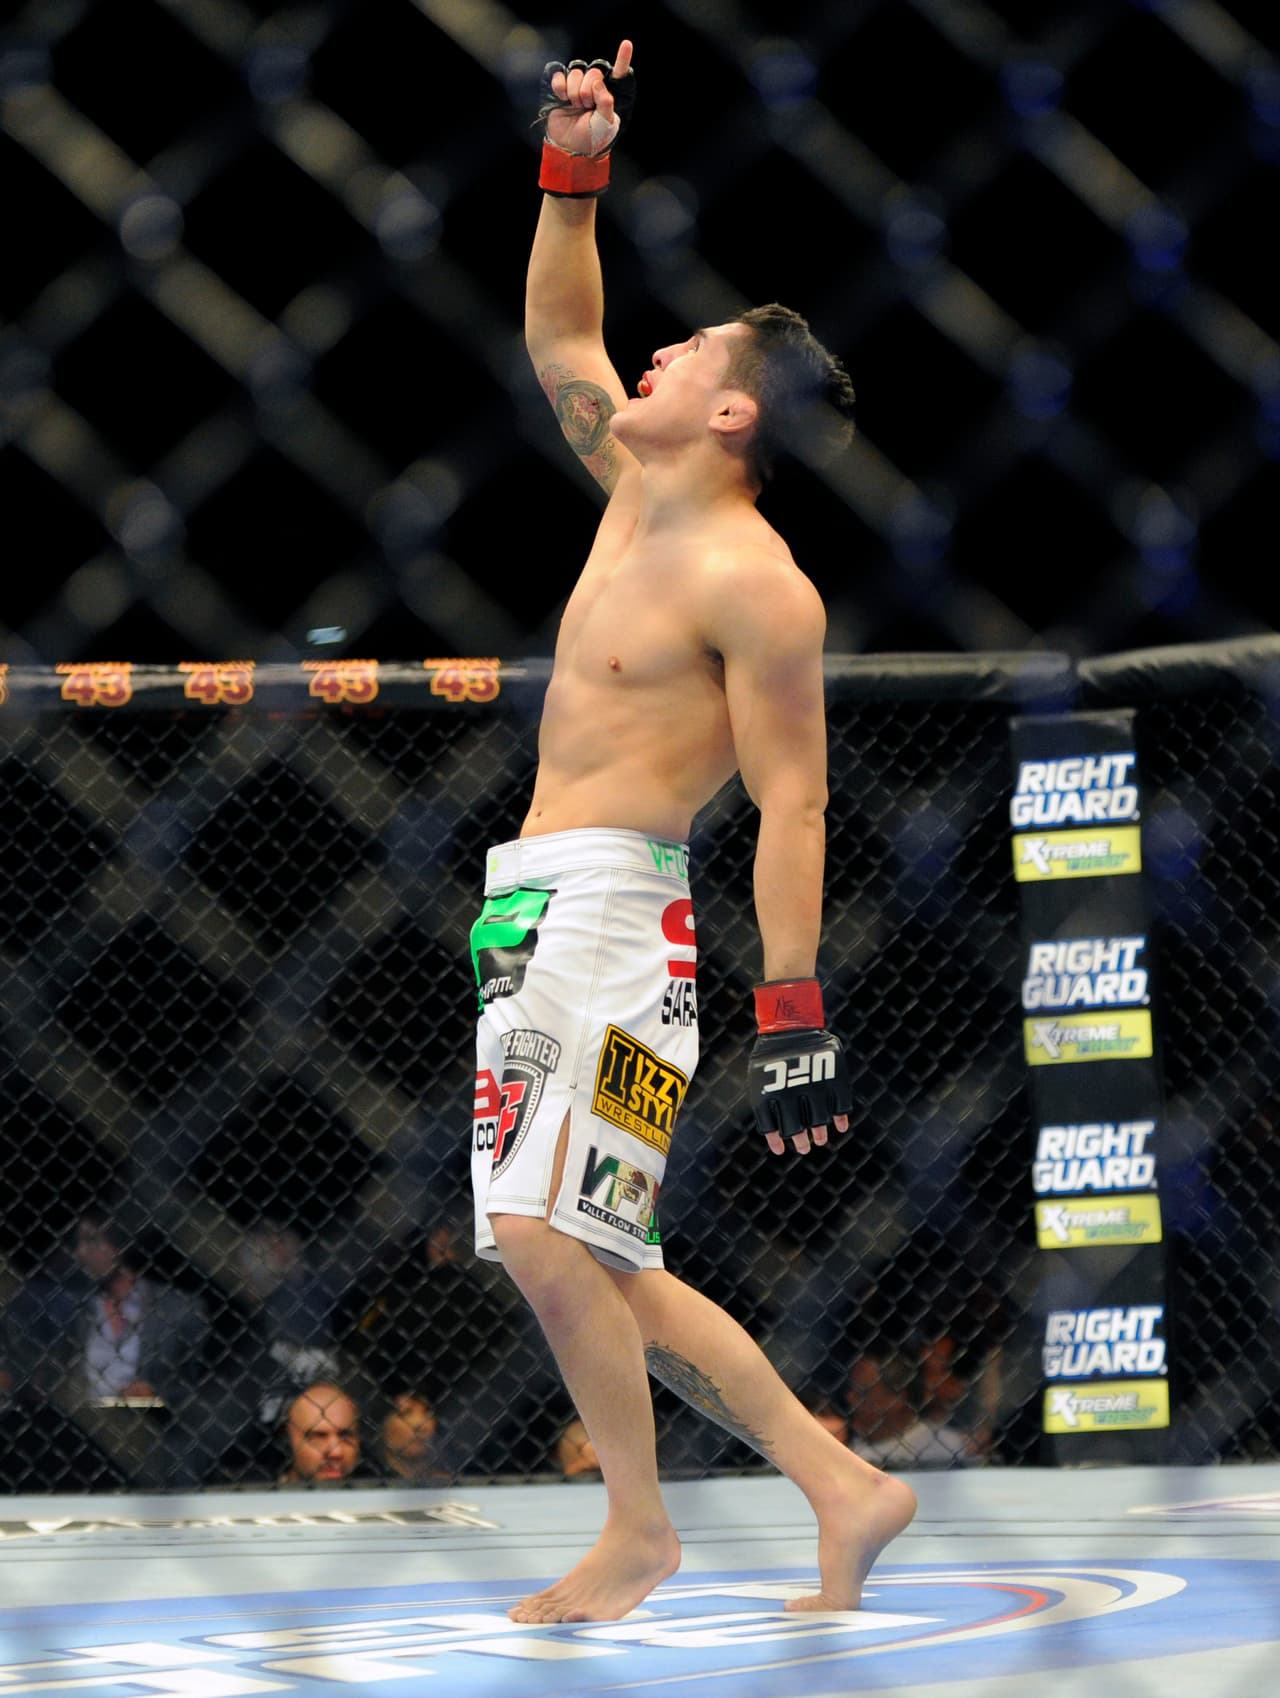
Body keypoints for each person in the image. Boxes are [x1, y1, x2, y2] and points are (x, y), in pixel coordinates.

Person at [468, 38, 916, 1625]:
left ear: (735, 409)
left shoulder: (758, 582)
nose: (646, 355)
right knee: (590, 1254)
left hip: (616, 915)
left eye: (690, 350)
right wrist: (576, 158)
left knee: (539, 1235)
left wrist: (792, 1007)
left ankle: (646, 1529)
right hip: (532, 908)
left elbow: (793, 796)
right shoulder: (627, 494)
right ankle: (835, 1486)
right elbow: (556, 324)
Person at [280, 1380, 362, 1484]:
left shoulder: (375, 1494)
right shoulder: (264, 1497)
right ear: (288, 1440)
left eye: (345, 1437)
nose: (336, 1452)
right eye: (318, 1437)